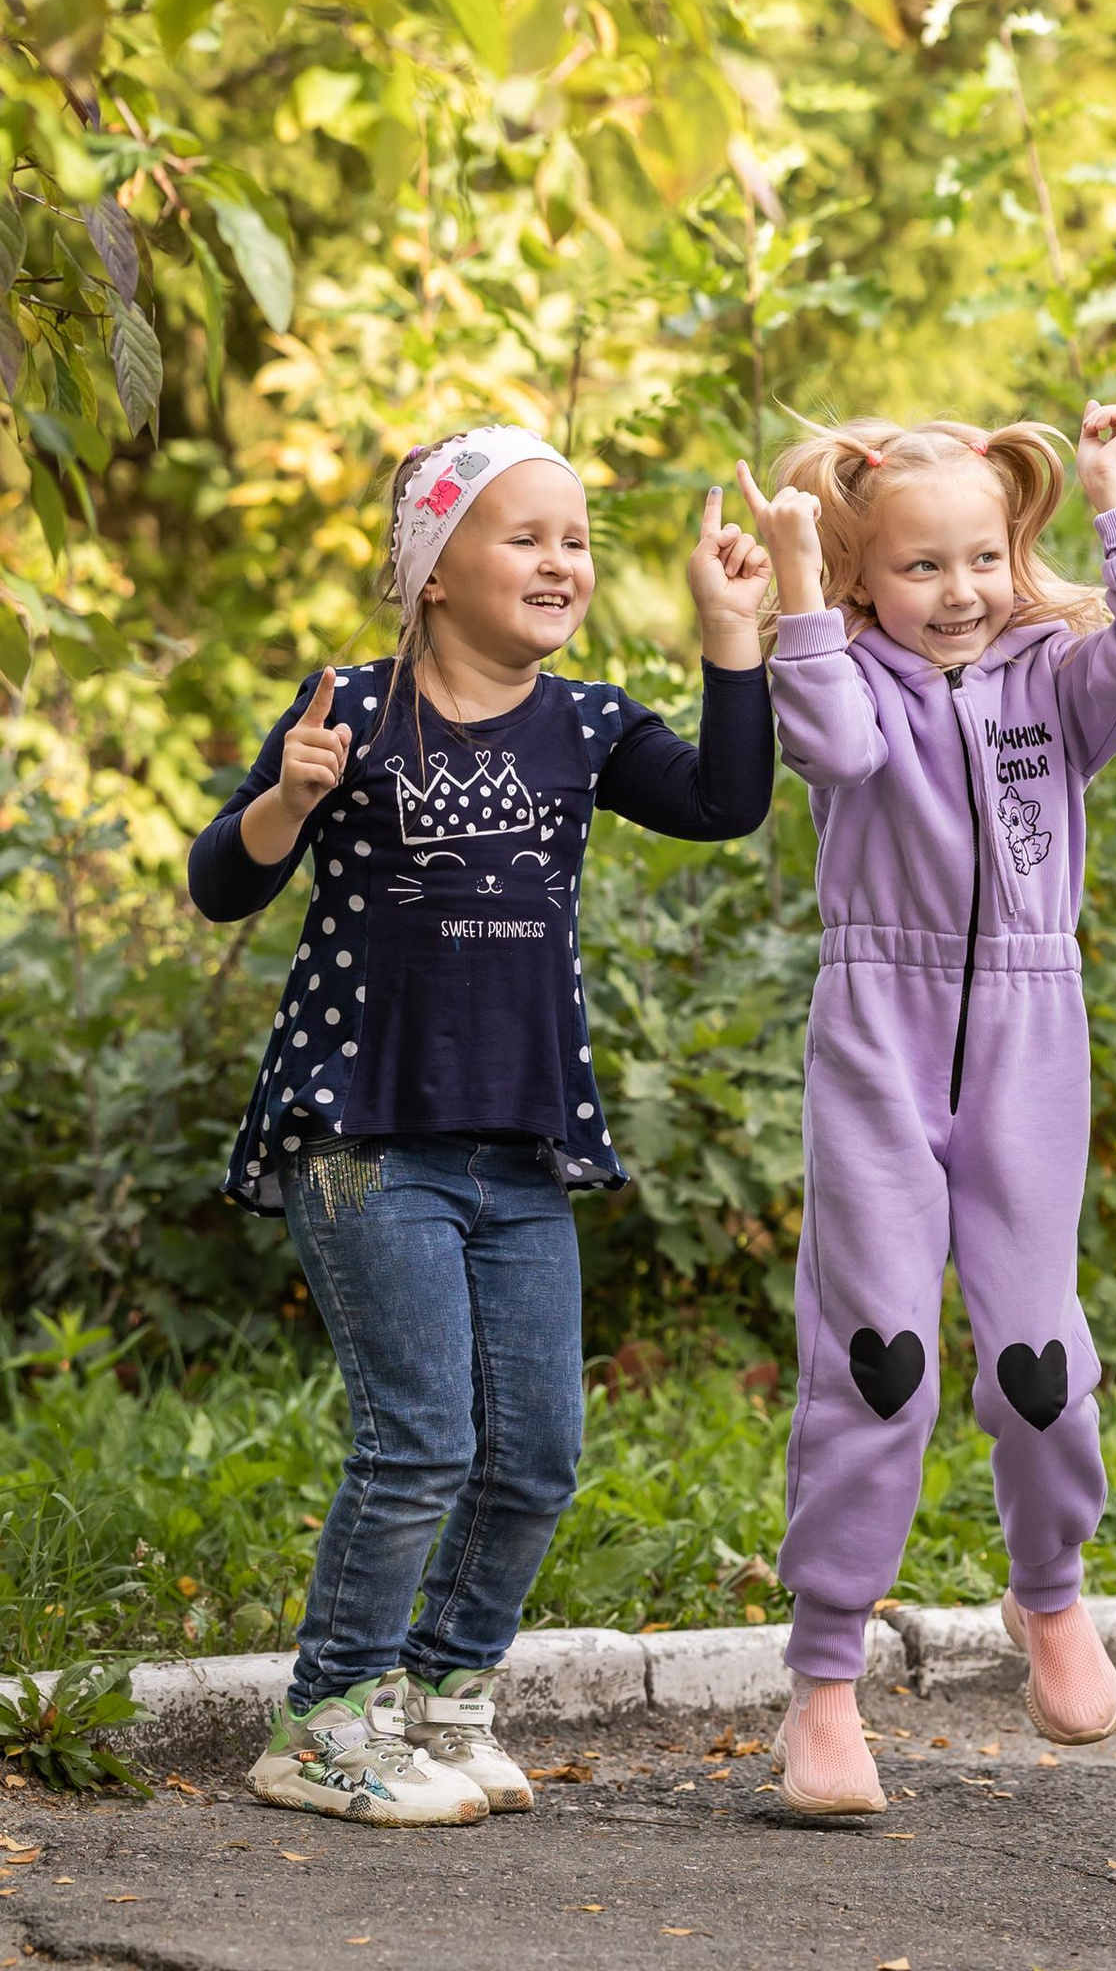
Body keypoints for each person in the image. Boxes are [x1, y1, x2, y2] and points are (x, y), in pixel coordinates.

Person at [189, 429, 776, 1825]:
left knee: (539, 1452)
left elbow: (726, 802)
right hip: (361, 1133)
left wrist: (730, 630)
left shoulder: (587, 726)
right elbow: (223, 884)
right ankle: (326, 1722)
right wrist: (286, 800)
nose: (562, 562)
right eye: (526, 537)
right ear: (433, 570)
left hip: (517, 1138)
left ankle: (448, 1694)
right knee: (418, 1442)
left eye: (576, 539)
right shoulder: (351, 709)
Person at [743, 401, 1116, 1816]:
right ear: (871, 577)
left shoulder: (1057, 681)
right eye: (922, 568)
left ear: (1018, 552)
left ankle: (1048, 1593)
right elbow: (833, 752)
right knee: (880, 1356)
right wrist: (803, 591)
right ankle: (825, 1680)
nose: (958, 594)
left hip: (1027, 1026)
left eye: (983, 559)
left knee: (1038, 1360)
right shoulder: (847, 673)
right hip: (880, 1025)